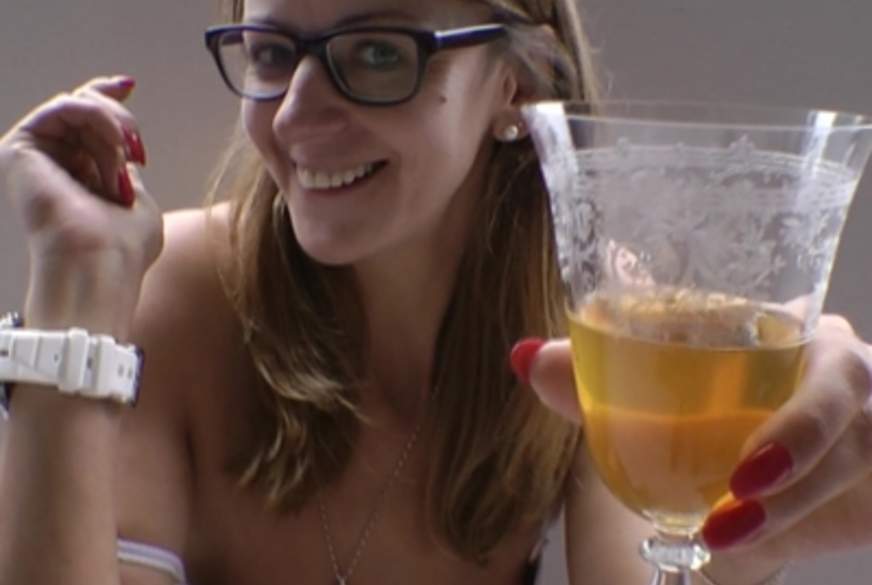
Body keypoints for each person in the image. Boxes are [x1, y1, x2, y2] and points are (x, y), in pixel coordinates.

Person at [0, 0, 870, 584]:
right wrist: (75, 288)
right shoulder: (172, 301)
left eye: (379, 53)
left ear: (516, 86)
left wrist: (731, 554)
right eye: (271, 52)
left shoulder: (603, 330)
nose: (296, 115)